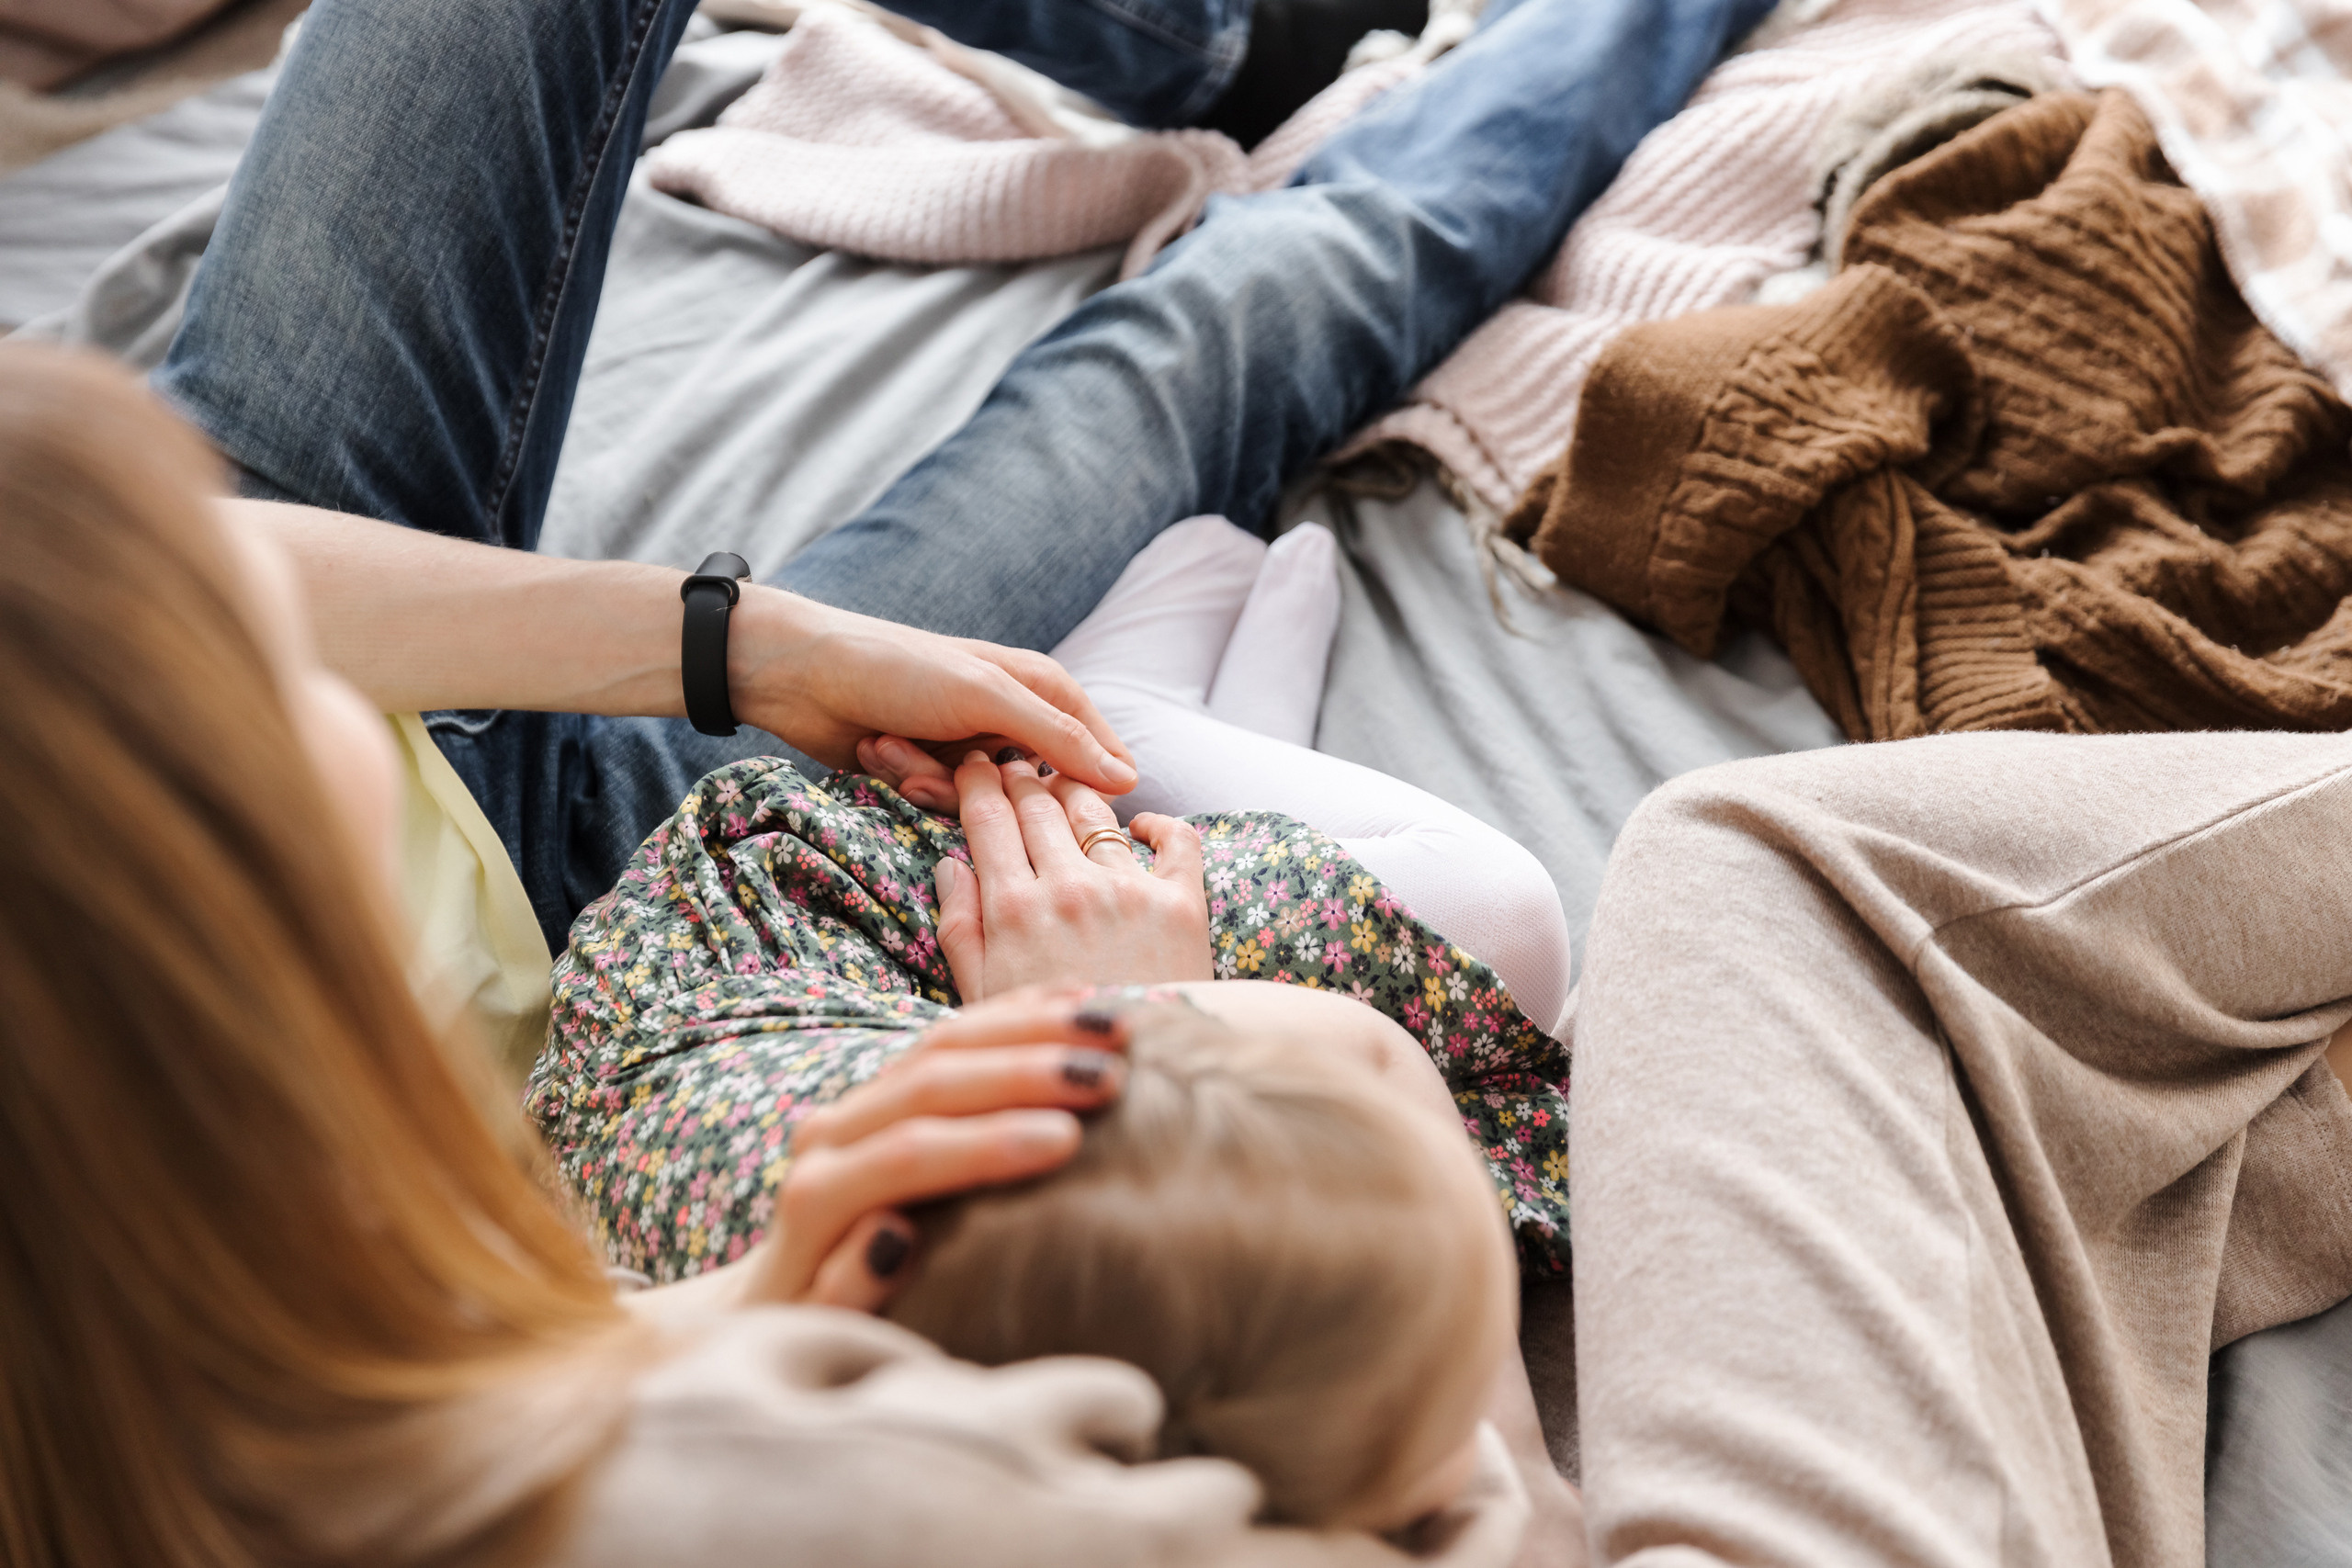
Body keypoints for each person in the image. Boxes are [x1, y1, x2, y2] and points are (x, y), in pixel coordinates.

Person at [0, 339, 1537, 1567]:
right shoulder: (840, 1496)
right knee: (1195, 359)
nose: (312, 651)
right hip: (717, 971)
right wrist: (1154, 1016)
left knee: (1191, 361)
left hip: (715, 1001)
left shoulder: (159, 1400)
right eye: (256, 668)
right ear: (172, 917)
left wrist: (709, 1314)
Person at [141, 0, 1775, 969]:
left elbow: (138, 592)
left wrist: (741, 642)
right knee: (1243, 325)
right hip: (577, 894)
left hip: (256, 568)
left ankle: (1202, 33)